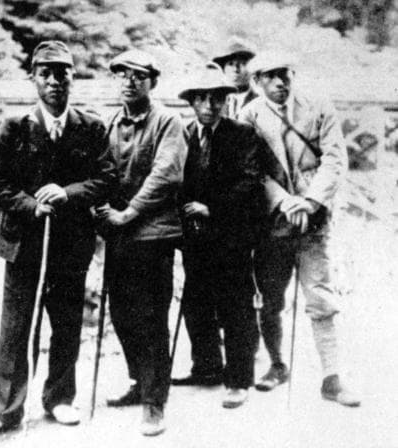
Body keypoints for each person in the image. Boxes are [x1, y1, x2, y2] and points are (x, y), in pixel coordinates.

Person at [0, 40, 117, 433]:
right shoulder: (14, 127)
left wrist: (67, 193)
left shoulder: (90, 127)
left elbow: (106, 178)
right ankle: (7, 408)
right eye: (46, 73)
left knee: (66, 322)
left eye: (63, 73)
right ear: (34, 78)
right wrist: (31, 206)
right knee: (16, 327)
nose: (55, 81)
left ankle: (59, 398)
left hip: (71, 243)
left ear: (73, 78)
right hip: (23, 243)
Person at [239, 50, 361, 406]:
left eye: (286, 74)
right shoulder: (249, 116)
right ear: (256, 81)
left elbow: (335, 158)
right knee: (270, 299)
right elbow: (252, 170)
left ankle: (332, 378)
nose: (281, 82)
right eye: (271, 76)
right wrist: (284, 201)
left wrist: (309, 201)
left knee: (320, 297)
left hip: (314, 220)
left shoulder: (319, 106)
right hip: (272, 223)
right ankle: (277, 364)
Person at [96, 49, 187, 436]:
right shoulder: (110, 122)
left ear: (153, 81)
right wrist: (102, 211)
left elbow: (166, 174)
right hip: (118, 234)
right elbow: (100, 171)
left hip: (153, 234)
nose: (129, 82)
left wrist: (129, 212)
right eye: (122, 74)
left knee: (151, 319)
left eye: (138, 75)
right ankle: (139, 381)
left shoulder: (168, 121)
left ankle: (154, 402)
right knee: (122, 315)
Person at [171, 64, 264, 408]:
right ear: (192, 102)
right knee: (196, 303)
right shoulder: (182, 135)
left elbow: (250, 181)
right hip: (194, 238)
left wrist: (211, 207)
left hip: (231, 235)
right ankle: (206, 367)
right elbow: (173, 179)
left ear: (226, 101)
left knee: (235, 306)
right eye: (202, 99)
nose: (209, 105)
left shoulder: (242, 134)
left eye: (217, 99)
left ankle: (238, 380)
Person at [212, 40, 257, 118]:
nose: (235, 69)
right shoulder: (212, 100)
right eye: (230, 64)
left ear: (251, 69)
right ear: (224, 69)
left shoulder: (259, 101)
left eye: (242, 64)